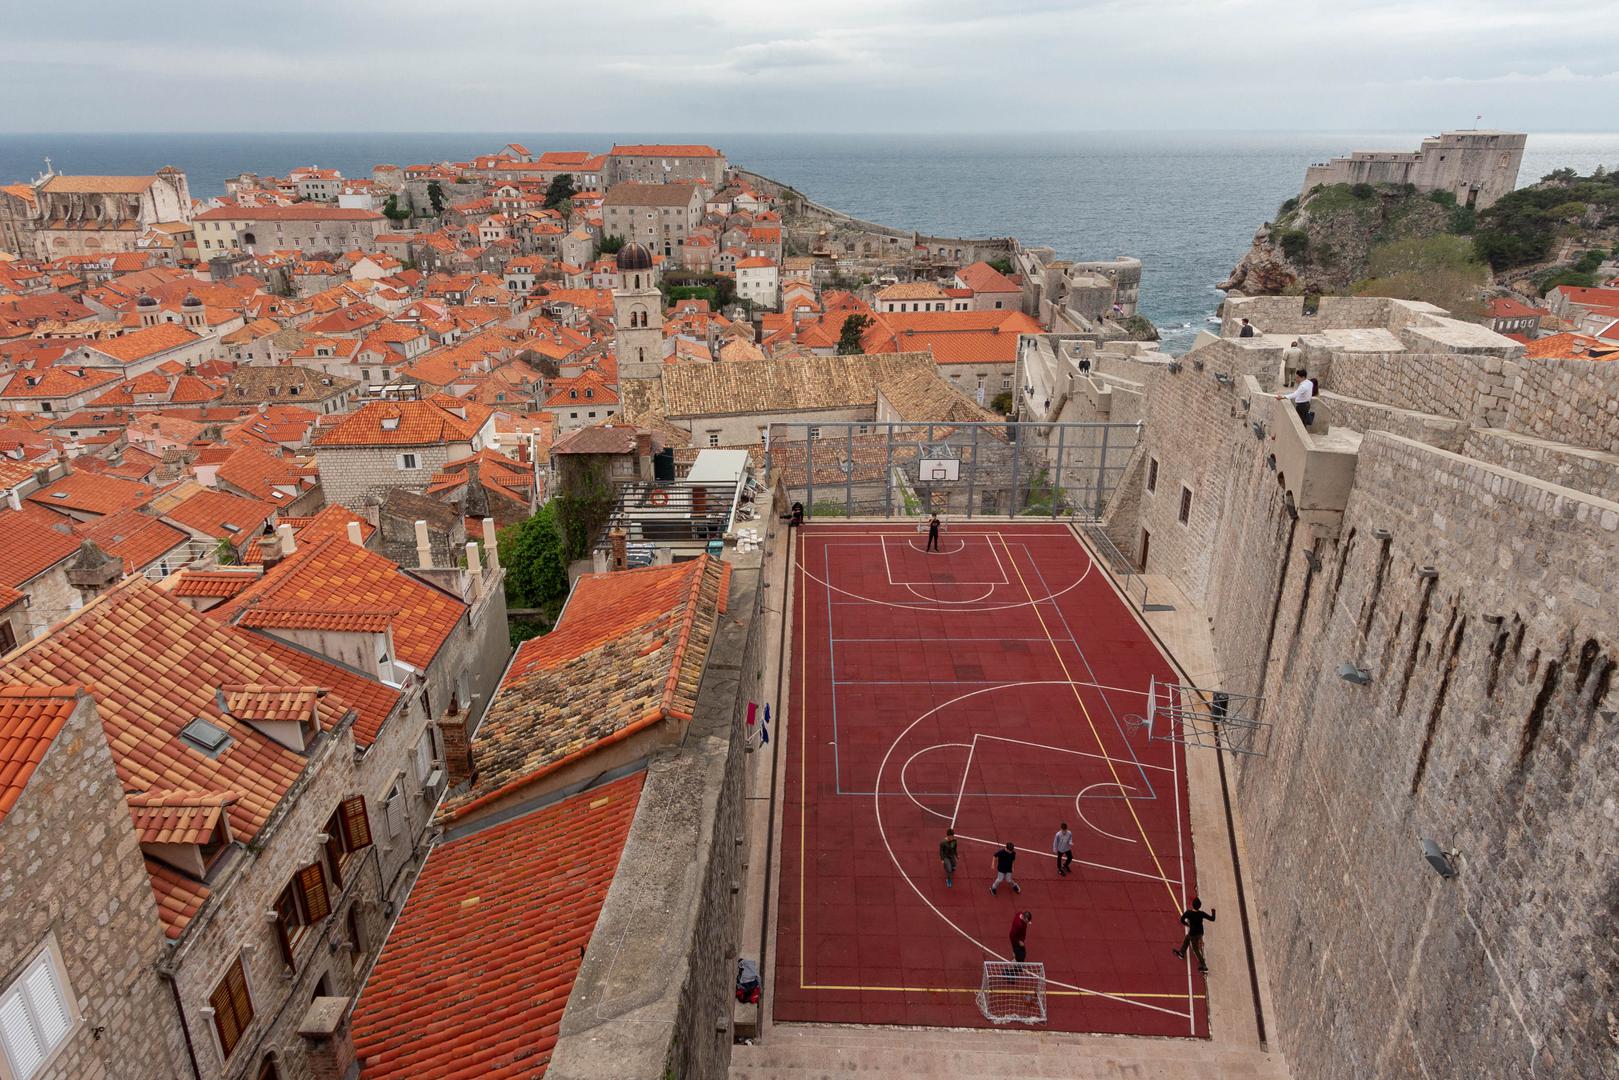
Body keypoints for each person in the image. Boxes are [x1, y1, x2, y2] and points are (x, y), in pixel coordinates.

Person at [1172, 897, 1216, 974]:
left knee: (1196, 949)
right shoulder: (1201, 913)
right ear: (1200, 906)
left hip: (1193, 933)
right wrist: (1213, 910)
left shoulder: (1188, 913)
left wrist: (1187, 924)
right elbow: (1212, 919)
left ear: (1192, 905)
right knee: (1187, 938)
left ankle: (1204, 966)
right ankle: (1181, 953)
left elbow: (1182, 919)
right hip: (1200, 933)